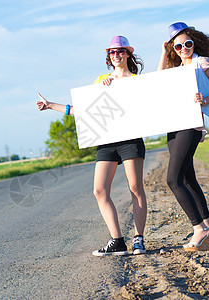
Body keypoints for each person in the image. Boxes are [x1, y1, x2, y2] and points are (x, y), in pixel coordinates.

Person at [37, 36, 147, 256]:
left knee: (135, 188)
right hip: (105, 141)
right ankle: (117, 241)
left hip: (130, 140)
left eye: (120, 51)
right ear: (109, 56)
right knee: (99, 191)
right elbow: (85, 110)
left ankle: (138, 240)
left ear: (128, 54)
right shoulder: (101, 80)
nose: (116, 55)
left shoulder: (137, 81)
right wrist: (50, 105)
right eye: (112, 53)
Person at [157, 22, 209, 251]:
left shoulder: (201, 62)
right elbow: (157, 82)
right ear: (173, 50)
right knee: (188, 179)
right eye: (177, 46)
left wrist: (205, 99)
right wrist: (163, 52)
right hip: (173, 126)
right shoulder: (175, 69)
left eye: (187, 44)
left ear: (194, 43)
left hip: (191, 125)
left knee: (173, 179)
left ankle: (199, 228)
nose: (184, 49)